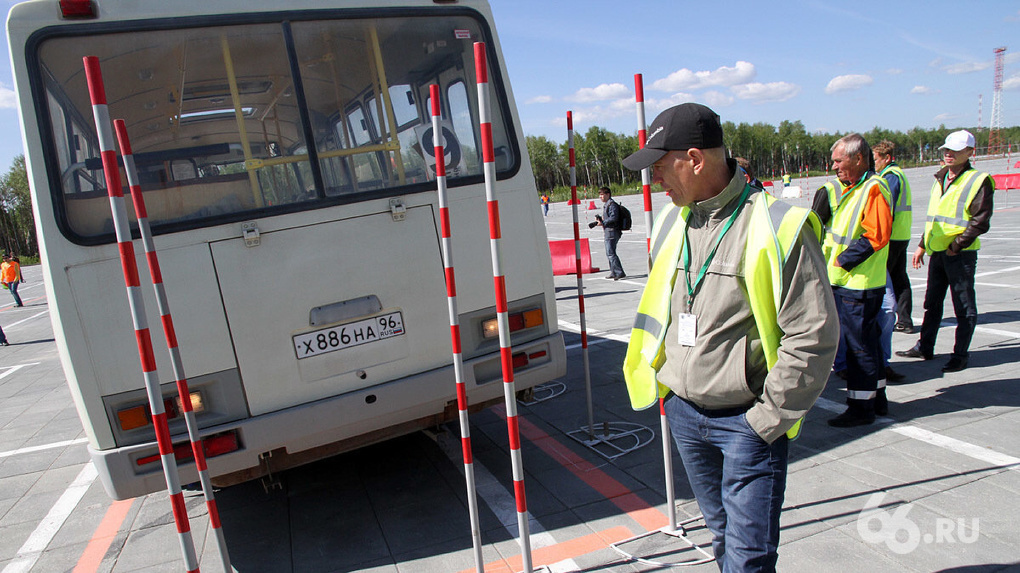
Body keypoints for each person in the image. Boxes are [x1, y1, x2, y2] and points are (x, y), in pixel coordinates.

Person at [621, 103, 838, 572]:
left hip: (746, 423)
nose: (655, 178)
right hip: (683, 413)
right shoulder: (670, 222)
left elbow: (813, 334)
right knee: (721, 538)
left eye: (661, 166)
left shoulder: (778, 225)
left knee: (749, 557)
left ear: (695, 159)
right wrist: (669, 392)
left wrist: (766, 420)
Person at [896, 130, 993, 373]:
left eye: (956, 150)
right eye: (946, 150)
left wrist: (956, 245)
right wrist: (921, 244)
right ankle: (925, 347)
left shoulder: (978, 180)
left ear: (970, 153)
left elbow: (980, 221)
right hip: (937, 252)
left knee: (964, 306)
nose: (949, 154)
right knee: (932, 303)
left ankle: (960, 355)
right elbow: (935, 218)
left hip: (959, 255)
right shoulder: (940, 178)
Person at [812, 134, 892, 427]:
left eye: (838, 160)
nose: (833, 166)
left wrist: (842, 260)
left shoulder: (873, 188)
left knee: (859, 349)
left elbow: (877, 235)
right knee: (867, 345)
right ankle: (876, 399)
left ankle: (861, 408)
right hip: (849, 281)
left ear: (858, 159)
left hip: (858, 283)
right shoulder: (853, 188)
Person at [873, 141, 914, 334]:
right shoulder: (899, 174)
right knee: (899, 278)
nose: (874, 164)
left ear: (887, 158)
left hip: (891, 236)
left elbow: (886, 207)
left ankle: (883, 319)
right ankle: (905, 320)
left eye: (876, 159)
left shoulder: (890, 177)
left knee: (883, 279)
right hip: (901, 233)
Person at [594, 186, 625, 280]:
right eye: (600, 195)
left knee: (611, 252)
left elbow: (614, 218)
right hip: (608, 231)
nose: (600, 197)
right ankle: (613, 271)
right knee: (609, 252)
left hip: (612, 231)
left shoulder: (612, 204)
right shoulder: (607, 204)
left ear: (608, 194)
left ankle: (619, 272)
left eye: (602, 194)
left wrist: (603, 222)